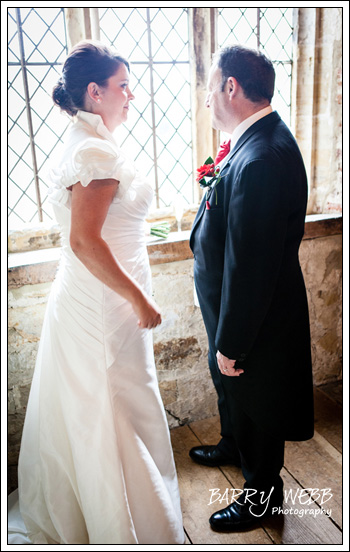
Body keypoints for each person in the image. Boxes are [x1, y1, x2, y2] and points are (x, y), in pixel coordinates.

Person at [9, 40, 184, 545]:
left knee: (99, 406)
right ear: (94, 91)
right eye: (123, 85)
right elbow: (85, 241)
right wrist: (140, 300)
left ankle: (109, 508)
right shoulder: (94, 150)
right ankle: (119, 525)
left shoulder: (85, 140)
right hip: (105, 306)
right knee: (110, 405)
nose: (132, 95)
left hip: (91, 299)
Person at [189, 45, 314, 531]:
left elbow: (253, 267)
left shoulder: (261, 157)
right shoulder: (252, 140)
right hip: (231, 306)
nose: (206, 100)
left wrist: (233, 341)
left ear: (231, 88)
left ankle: (263, 497)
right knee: (233, 390)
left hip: (251, 319)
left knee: (256, 398)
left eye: (210, 87)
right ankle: (232, 444)